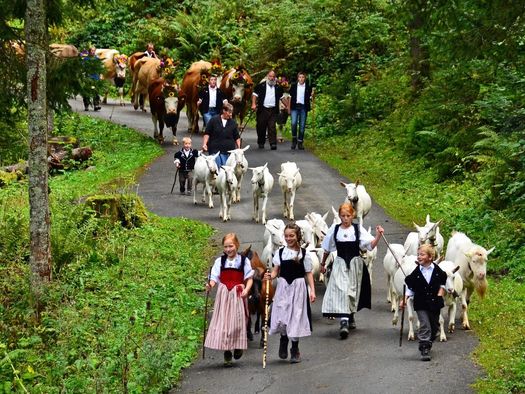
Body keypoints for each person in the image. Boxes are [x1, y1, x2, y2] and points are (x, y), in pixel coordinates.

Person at [320, 202, 384, 338]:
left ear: (352, 215)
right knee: (342, 290)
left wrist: (378, 235)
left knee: (352, 291)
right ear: (340, 216)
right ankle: (344, 322)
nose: (345, 218)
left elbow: (370, 245)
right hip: (340, 264)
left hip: (355, 264)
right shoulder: (335, 230)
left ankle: (350, 315)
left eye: (348, 215)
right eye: (343, 216)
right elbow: (327, 248)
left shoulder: (357, 229)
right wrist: (322, 263)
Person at [265, 223, 316, 363]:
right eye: (286, 236)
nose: (288, 238)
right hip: (283, 288)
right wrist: (271, 276)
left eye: (291, 235)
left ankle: (294, 348)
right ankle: (283, 338)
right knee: (282, 314)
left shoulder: (303, 254)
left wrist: (312, 290)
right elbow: (276, 270)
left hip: (298, 288)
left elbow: (309, 273)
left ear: (298, 236)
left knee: (295, 316)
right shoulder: (281, 252)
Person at [204, 233, 254, 367]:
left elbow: (249, 278)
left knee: (238, 322)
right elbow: (214, 277)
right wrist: (210, 285)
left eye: (231, 246)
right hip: (224, 294)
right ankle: (227, 351)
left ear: (237, 245)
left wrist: (246, 290)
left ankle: (238, 346)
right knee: (224, 323)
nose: (228, 249)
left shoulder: (244, 261)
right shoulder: (220, 261)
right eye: (226, 247)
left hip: (238, 294)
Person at [400, 244, 447, 361]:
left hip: (435, 302)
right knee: (425, 324)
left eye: (422, 254)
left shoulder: (437, 271)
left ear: (430, 257)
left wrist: (441, 292)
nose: (419, 257)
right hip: (421, 302)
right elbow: (410, 287)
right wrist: (404, 299)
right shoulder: (415, 274)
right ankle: (424, 347)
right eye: (418, 255)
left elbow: (444, 282)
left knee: (434, 326)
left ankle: (429, 341)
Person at [251, 70, 284, 150]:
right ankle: (261, 142)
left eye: (273, 76)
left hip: (273, 110)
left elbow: (282, 98)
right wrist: (253, 104)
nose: (271, 78)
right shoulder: (261, 86)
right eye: (270, 76)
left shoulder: (278, 88)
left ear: (275, 78)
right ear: (267, 76)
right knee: (261, 126)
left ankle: (273, 143)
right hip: (263, 109)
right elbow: (254, 95)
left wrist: (288, 106)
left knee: (272, 126)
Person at [202, 102, 240, 168]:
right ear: (224, 111)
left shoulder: (233, 123)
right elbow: (207, 133)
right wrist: (204, 144)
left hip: (228, 151)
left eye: (231, 112)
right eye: (229, 112)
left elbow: (237, 136)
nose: (230, 114)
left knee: (227, 170)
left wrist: (239, 148)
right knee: (218, 168)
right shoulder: (214, 120)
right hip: (215, 150)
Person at [289, 72, 314, 150]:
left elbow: (310, 97)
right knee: (293, 123)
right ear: (298, 78)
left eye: (303, 77)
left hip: (303, 107)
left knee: (302, 126)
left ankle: (300, 142)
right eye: (300, 77)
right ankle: (294, 139)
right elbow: (290, 97)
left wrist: (312, 95)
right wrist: (288, 108)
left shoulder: (308, 87)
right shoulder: (293, 86)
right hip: (294, 107)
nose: (301, 79)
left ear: (305, 78)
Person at [81, 46, 101, 112]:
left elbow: (100, 68)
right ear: (89, 51)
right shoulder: (86, 59)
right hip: (88, 77)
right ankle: (86, 105)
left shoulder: (97, 59)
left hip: (96, 77)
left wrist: (100, 76)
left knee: (96, 92)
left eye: (94, 50)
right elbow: (83, 68)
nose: (93, 52)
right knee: (87, 92)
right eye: (92, 50)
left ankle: (96, 105)